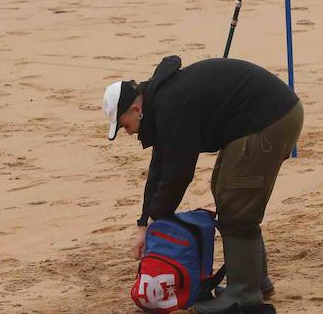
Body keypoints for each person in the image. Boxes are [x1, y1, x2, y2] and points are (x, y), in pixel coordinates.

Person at [102, 55, 303, 313]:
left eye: (123, 125)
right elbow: (159, 169)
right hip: (267, 117)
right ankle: (255, 281)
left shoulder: (170, 104)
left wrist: (156, 221)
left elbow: (178, 173)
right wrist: (144, 223)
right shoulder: (160, 103)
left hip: (271, 119)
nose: (127, 132)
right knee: (225, 189)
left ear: (135, 109)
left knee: (236, 202)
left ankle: (244, 294)